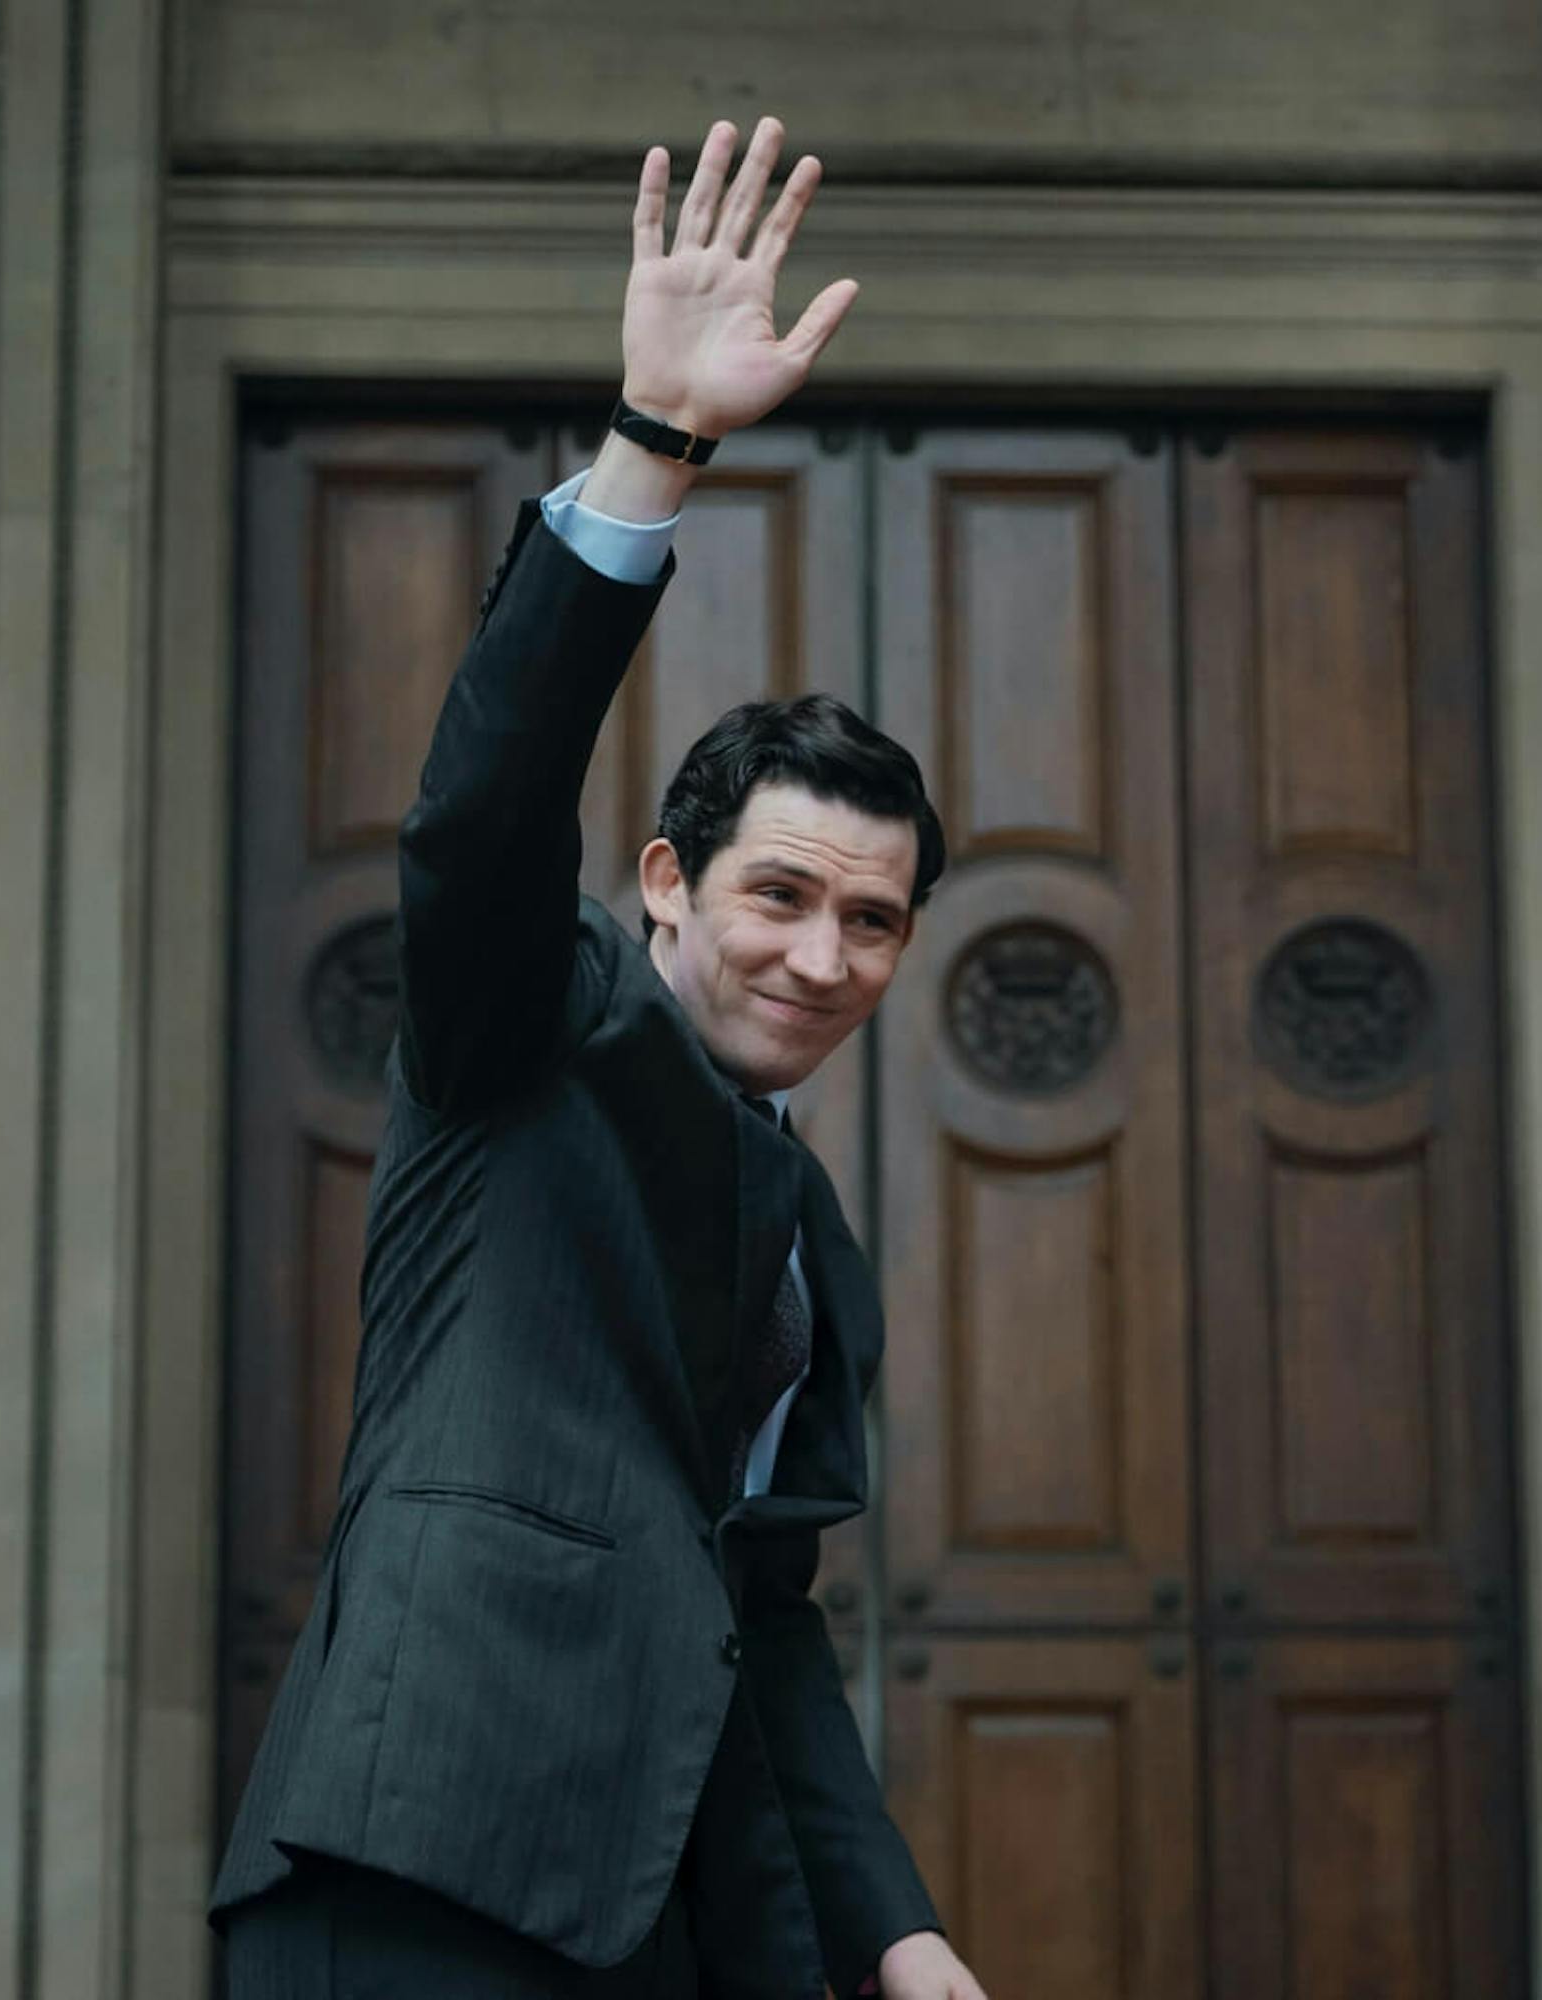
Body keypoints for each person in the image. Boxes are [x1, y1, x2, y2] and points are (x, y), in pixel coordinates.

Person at [210, 117, 988, 2000]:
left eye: (871, 922)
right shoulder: (530, 1029)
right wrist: (654, 447)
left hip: (674, 1924)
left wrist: (900, 1933)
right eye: (781, 893)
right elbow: (476, 817)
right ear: (664, 881)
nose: (821, 956)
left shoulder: (814, 1239)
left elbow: (765, 1624)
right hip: (422, 1881)